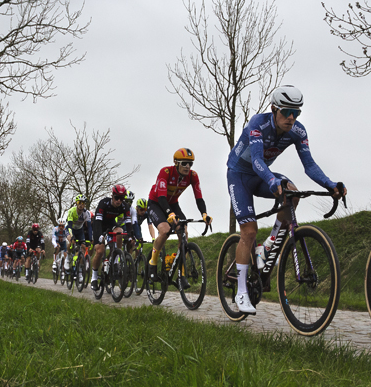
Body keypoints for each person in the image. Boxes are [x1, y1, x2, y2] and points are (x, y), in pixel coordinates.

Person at [225, 85, 346, 315]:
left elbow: (309, 165)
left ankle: (268, 245)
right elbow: (258, 160)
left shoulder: (298, 132)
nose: (291, 118)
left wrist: (330, 185)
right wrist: (272, 181)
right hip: (239, 174)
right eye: (287, 112)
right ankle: (241, 291)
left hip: (260, 175)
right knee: (249, 232)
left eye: (296, 113)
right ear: (274, 109)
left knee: (292, 192)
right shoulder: (258, 124)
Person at [146, 148, 212, 280]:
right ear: (176, 162)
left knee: (183, 232)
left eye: (190, 164)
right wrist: (169, 213)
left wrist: (204, 214)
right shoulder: (165, 172)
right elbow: (162, 198)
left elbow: (198, 197)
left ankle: (181, 273)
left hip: (173, 204)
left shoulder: (192, 176)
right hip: (156, 202)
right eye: (184, 163)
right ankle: (152, 263)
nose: (187, 167)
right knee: (165, 231)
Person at [89, 184, 131, 292]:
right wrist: (99, 236)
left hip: (111, 224)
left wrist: (130, 235)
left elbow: (128, 222)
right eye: (117, 198)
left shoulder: (124, 206)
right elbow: (97, 222)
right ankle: (94, 277)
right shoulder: (104, 203)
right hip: (99, 225)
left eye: (121, 198)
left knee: (120, 232)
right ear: (112, 196)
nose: (119, 201)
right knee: (100, 250)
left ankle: (116, 257)